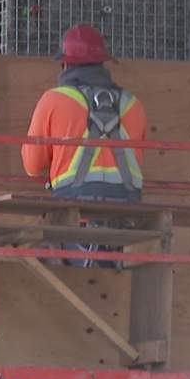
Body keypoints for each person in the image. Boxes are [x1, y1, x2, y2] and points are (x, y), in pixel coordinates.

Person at [21, 24, 147, 267]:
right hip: (126, 213)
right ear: (103, 63)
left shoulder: (53, 100)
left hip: (74, 210)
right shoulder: (134, 105)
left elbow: (32, 166)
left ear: (65, 65)